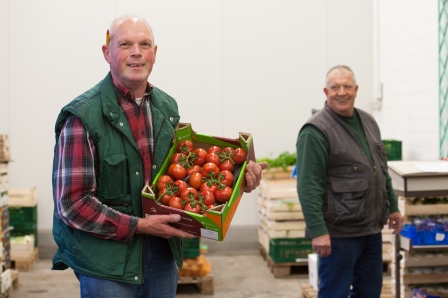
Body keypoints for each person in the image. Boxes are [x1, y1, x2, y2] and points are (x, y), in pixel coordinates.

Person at [51, 15, 268, 298]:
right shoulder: (83, 117)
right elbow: (72, 203)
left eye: (145, 44)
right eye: (125, 44)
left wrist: (240, 181)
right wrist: (139, 225)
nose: (136, 52)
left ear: (155, 53)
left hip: (162, 255)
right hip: (106, 264)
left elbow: (185, 175)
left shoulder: (166, 106)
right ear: (107, 53)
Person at [296, 65, 403, 298]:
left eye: (346, 86)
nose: (341, 92)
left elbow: (380, 170)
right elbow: (308, 186)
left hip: (370, 230)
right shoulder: (315, 131)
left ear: (356, 90)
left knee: (369, 293)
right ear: (326, 92)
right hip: (338, 235)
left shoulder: (368, 122)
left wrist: (393, 208)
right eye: (335, 87)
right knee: (334, 293)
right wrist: (318, 231)